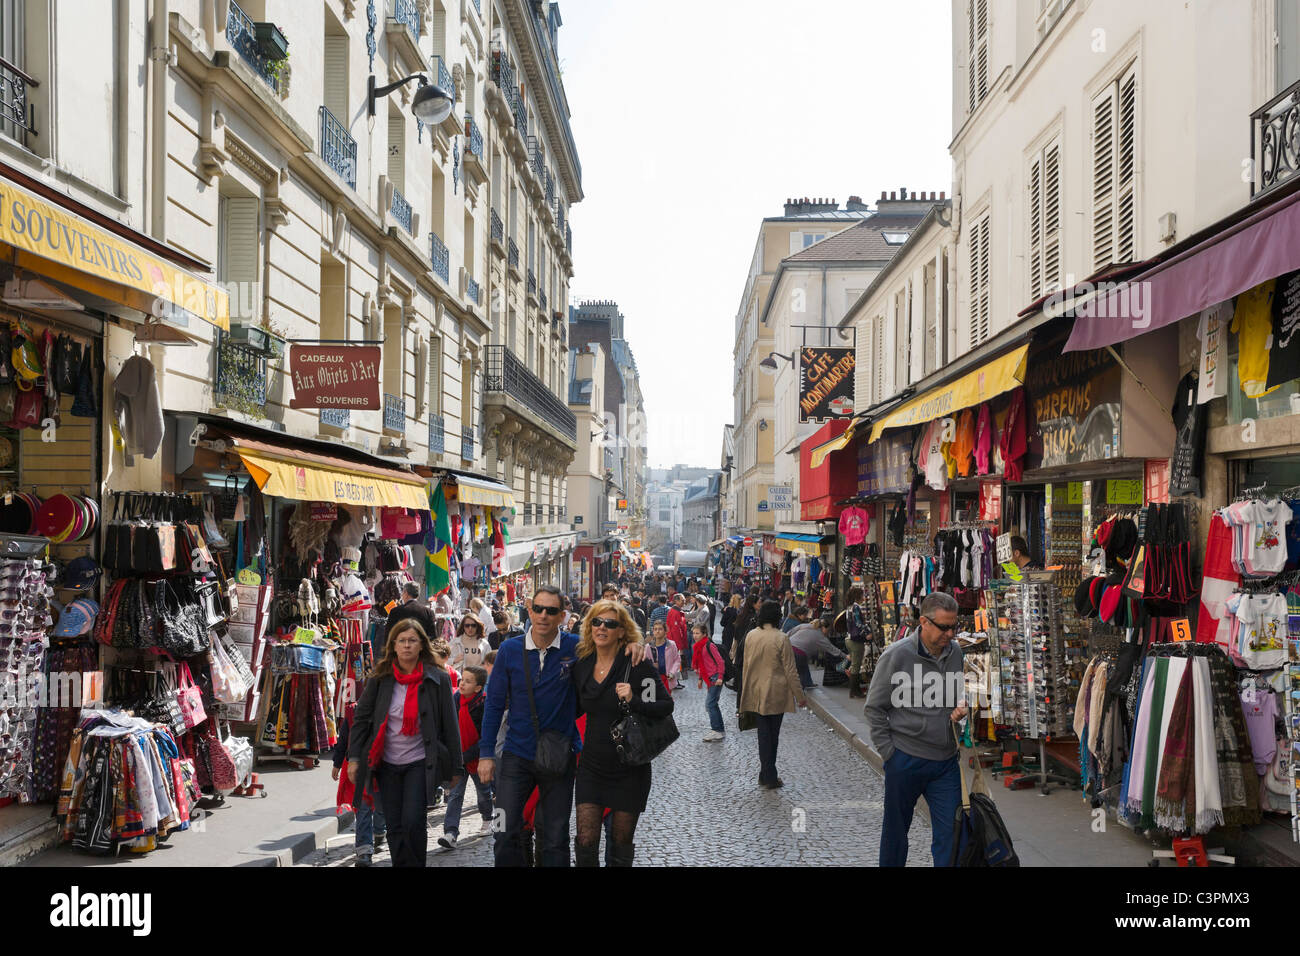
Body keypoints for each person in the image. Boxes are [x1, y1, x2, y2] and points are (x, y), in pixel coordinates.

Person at [477, 585, 645, 867]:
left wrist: (633, 645)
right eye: (538, 609)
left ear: (562, 615)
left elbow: (608, 648)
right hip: (515, 757)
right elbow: (493, 705)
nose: (543, 615)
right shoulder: (508, 650)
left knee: (555, 837)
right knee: (503, 829)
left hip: (560, 757)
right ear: (529, 610)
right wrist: (485, 755)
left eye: (551, 610)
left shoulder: (576, 647)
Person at [346, 620, 464, 867]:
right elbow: (362, 719)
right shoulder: (381, 677)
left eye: (412, 640)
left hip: (420, 762)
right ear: (394, 646)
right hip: (386, 762)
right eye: (402, 641)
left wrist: (456, 768)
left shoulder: (438, 678)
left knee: (413, 821)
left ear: (421, 645)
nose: (407, 645)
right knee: (395, 825)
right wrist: (354, 758)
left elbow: (450, 726)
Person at [864, 592, 968, 868]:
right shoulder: (897, 655)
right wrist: (890, 754)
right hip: (905, 759)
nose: (950, 633)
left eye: (953, 626)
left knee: (952, 834)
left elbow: (955, 697)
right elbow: (874, 708)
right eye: (944, 627)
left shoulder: (956, 652)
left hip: (945, 763)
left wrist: (959, 711)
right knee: (896, 834)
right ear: (924, 621)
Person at [571, 600, 673, 867]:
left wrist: (634, 699)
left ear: (622, 631)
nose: (601, 627)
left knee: (620, 842)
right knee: (585, 839)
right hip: (592, 766)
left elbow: (664, 705)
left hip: (629, 768)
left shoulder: (637, 664)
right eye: (596, 622)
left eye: (610, 624)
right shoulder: (582, 662)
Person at [737, 600, 807, 789]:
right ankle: (769, 775)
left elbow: (745, 663)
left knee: (763, 735)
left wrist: (744, 690)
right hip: (775, 692)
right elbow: (791, 670)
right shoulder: (781, 638)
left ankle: (765, 773)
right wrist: (800, 696)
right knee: (772, 735)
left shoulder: (752, 635)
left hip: (755, 689)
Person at [438, 665, 494, 850]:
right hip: (458, 758)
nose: (462, 684)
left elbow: (485, 736)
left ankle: (488, 819)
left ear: (478, 688)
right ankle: (451, 833)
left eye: (468, 682)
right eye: (462, 680)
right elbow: (448, 727)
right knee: (455, 795)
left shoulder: (484, 704)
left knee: (484, 794)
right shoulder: (455, 699)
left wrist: (467, 755)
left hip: (478, 759)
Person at [331, 713, 387, 867]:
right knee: (363, 808)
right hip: (360, 768)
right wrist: (337, 763)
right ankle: (364, 850)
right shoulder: (353, 712)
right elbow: (343, 741)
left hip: (384, 766)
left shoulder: (391, 705)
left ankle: (380, 832)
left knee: (381, 805)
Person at [788, 614, 847, 690]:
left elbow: (789, 633)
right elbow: (832, 649)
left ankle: (806, 684)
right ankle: (800, 696)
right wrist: (845, 656)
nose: (828, 633)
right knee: (800, 674)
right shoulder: (820, 636)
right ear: (823, 628)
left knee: (796, 670)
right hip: (799, 653)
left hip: (788, 647)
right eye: (828, 630)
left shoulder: (804, 625)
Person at [693, 623, 727, 742]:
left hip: (715, 677)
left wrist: (720, 677)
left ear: (704, 634)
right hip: (709, 678)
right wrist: (700, 679)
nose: (695, 636)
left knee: (710, 704)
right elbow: (703, 665)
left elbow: (720, 661)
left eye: (697, 633)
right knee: (713, 704)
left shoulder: (709, 645)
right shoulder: (698, 646)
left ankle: (716, 730)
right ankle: (720, 730)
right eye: (694, 633)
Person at [844, 587, 871, 700]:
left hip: (849, 639)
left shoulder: (849, 607)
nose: (864, 597)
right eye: (862, 595)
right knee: (856, 666)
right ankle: (854, 691)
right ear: (857, 596)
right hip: (856, 640)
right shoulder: (855, 607)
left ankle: (855, 690)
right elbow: (858, 623)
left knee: (855, 665)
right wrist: (867, 633)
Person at [645, 619, 681, 693]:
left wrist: (672, 672)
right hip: (654, 679)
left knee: (667, 701)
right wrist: (652, 665)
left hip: (668, 678)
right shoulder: (648, 647)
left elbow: (677, 660)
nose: (657, 631)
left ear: (665, 631)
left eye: (660, 629)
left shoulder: (671, 645)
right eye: (655, 629)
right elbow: (644, 664)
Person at [667, 594, 691, 674]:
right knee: (674, 662)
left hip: (677, 640)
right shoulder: (675, 612)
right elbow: (675, 630)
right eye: (682, 600)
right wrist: (680, 646)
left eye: (684, 600)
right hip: (675, 641)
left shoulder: (678, 611)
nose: (684, 602)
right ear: (676, 601)